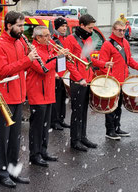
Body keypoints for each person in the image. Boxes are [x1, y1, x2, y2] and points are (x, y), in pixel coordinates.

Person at [0, 11, 39, 188]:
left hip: (18, 96)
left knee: (15, 138)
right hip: (5, 97)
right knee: (3, 139)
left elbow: (25, 65)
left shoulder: (19, 42)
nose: (22, 29)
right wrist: (28, 60)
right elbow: (3, 70)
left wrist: (32, 58)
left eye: (23, 26)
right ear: (9, 25)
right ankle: (2, 173)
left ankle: (13, 171)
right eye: (19, 26)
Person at [64, 14, 111, 151]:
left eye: (92, 28)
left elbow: (89, 60)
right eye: (90, 28)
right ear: (82, 25)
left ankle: (83, 137)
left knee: (84, 110)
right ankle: (75, 140)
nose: (91, 30)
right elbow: (69, 63)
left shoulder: (88, 39)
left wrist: (104, 64)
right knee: (77, 111)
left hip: (88, 79)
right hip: (78, 81)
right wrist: (79, 78)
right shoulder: (70, 40)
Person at [26, 26, 61, 167]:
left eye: (49, 35)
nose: (49, 38)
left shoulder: (49, 49)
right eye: (46, 36)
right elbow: (43, 69)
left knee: (45, 125)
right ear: (38, 37)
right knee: (37, 127)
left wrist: (61, 57)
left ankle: (43, 151)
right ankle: (35, 154)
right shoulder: (33, 51)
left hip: (48, 92)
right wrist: (56, 57)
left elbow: (57, 67)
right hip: (37, 93)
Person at [51, 17, 70, 130]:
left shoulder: (64, 39)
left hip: (64, 72)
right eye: (62, 26)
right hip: (57, 72)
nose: (64, 28)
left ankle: (61, 119)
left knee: (63, 97)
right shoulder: (54, 40)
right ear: (57, 27)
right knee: (56, 98)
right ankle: (54, 120)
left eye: (65, 26)